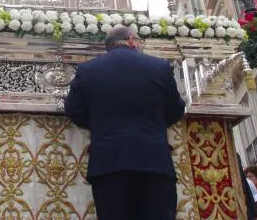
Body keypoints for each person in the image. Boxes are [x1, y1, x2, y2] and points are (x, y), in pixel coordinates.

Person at [64, 25, 185, 220]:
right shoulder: (159, 67)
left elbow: (73, 109)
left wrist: (99, 125)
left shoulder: (88, 69)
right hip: (153, 159)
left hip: (109, 162)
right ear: (131, 40)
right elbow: (176, 109)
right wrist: (154, 125)